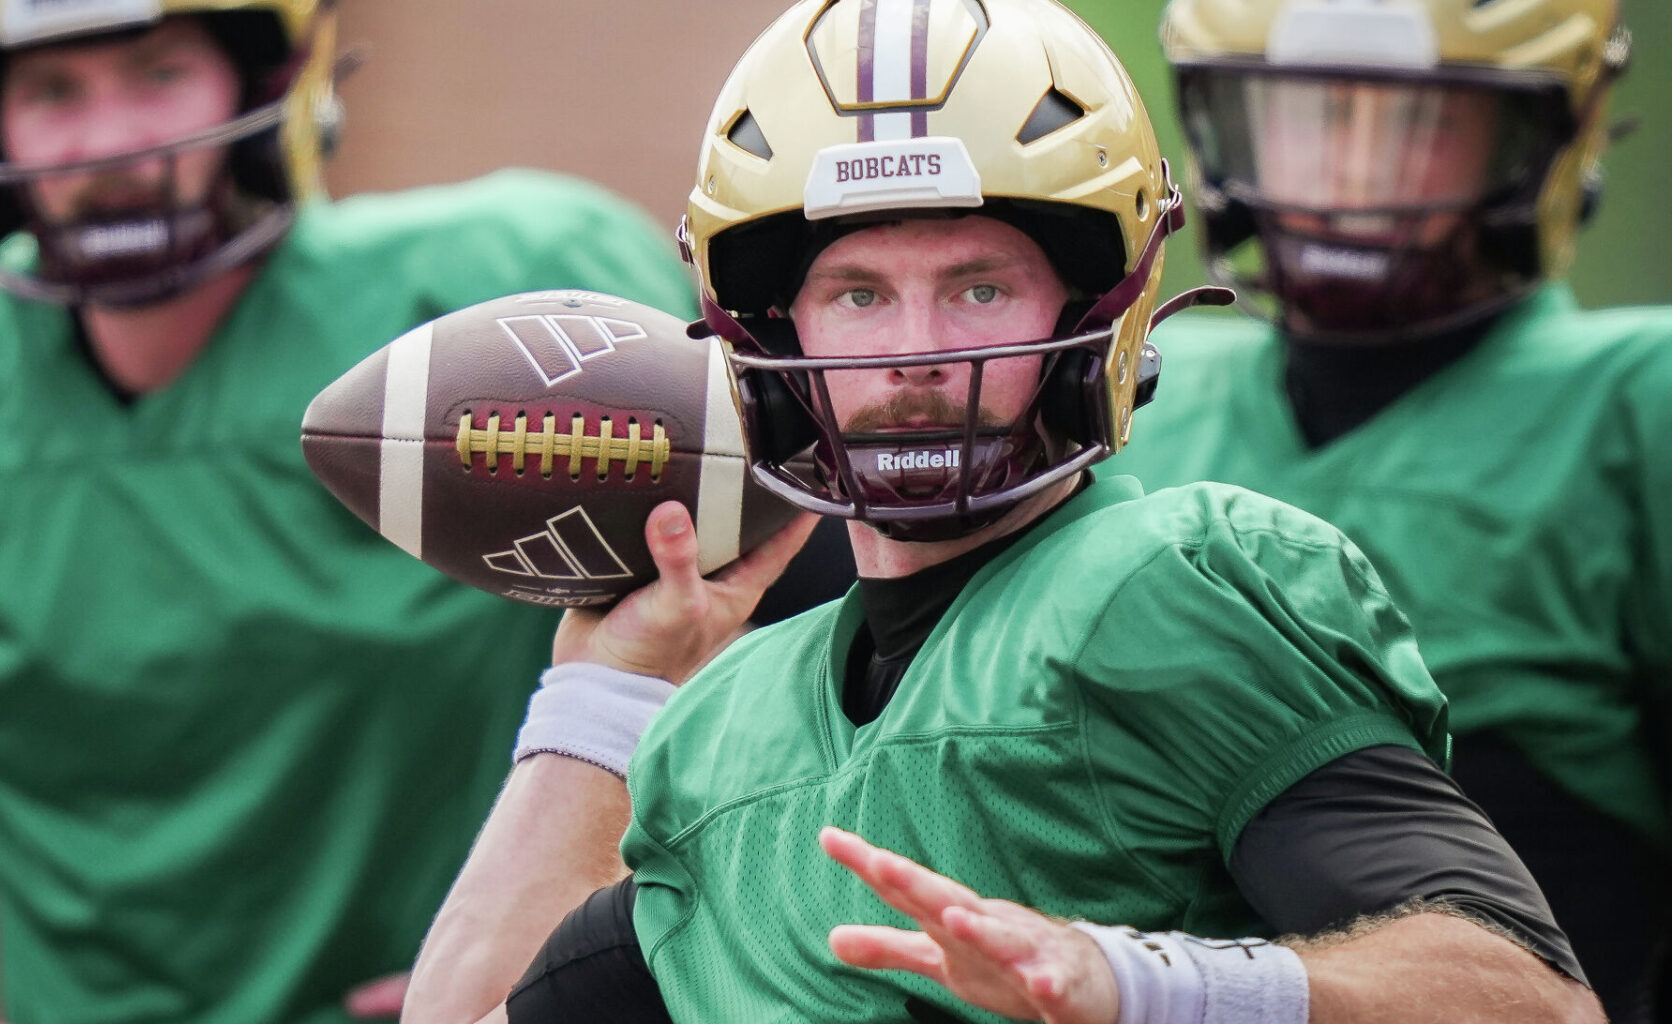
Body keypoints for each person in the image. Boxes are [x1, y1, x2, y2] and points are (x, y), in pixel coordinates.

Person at [401, 1, 1600, 1022]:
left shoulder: (1168, 583)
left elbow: (1531, 995)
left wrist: (1138, 983)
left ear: (1096, 305)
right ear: (773, 332)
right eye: (859, 294)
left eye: (979, 287)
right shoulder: (720, 728)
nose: (917, 352)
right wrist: (606, 690)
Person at [0, 1, 716, 1022]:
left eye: (159, 71)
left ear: (262, 81)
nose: (112, 138)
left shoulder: (479, 308)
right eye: (52, 91)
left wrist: (591, 941)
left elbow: (774, 655)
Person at [1106, 1, 1669, 1019]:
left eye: (1422, 126)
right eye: (1313, 118)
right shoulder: (1127, 388)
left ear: (1540, 135)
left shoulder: (1642, 397)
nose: (1355, 175)